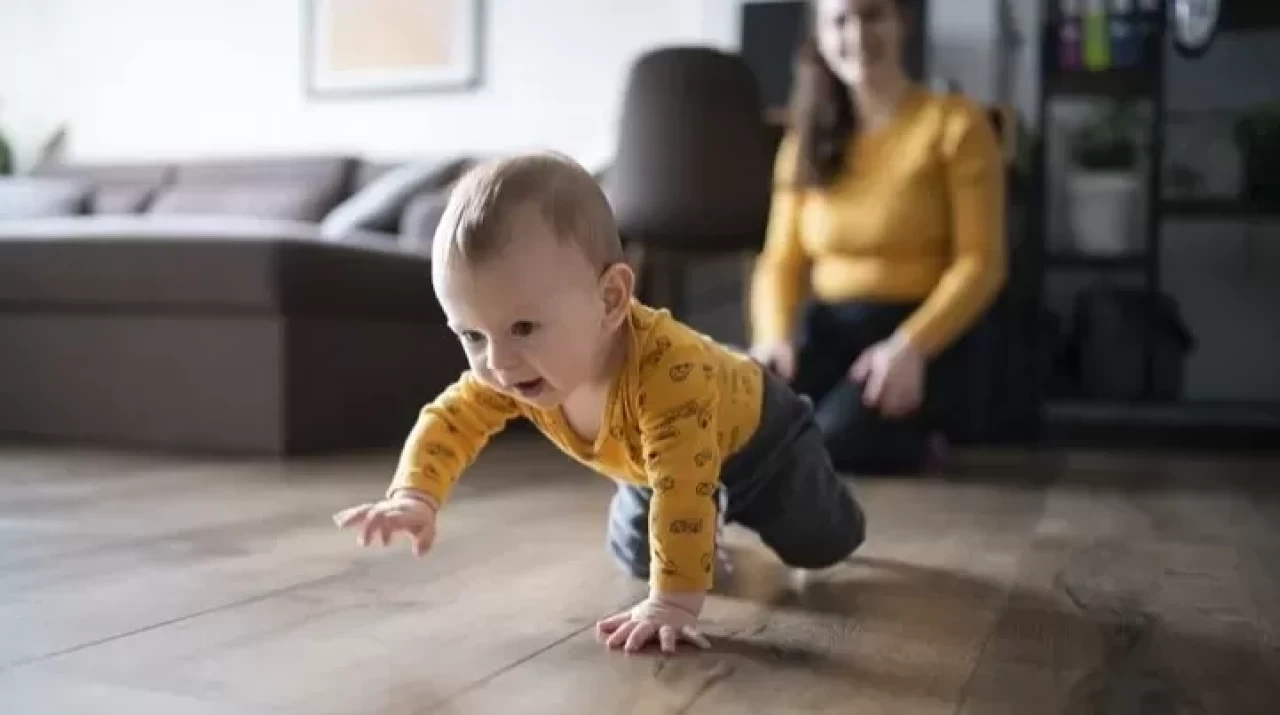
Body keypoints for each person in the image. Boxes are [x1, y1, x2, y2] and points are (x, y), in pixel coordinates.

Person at [333, 153, 866, 655]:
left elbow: (683, 489)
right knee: (639, 554)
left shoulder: (667, 376)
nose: (498, 362)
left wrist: (673, 604)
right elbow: (451, 419)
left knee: (821, 544)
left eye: (522, 327)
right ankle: (708, 527)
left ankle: (808, 490)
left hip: (762, 440)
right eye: (472, 335)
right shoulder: (516, 367)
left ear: (611, 299)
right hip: (651, 466)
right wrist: (415, 496)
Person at [749, 0, 1007, 475]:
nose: (857, 34)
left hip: (925, 337)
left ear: (900, 22)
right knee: (747, 427)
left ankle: (924, 434)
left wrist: (910, 346)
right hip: (829, 329)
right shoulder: (803, 142)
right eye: (839, 21)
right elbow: (780, 262)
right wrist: (773, 339)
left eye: (872, 15)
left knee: (823, 447)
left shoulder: (956, 124)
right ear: (820, 37)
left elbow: (981, 262)